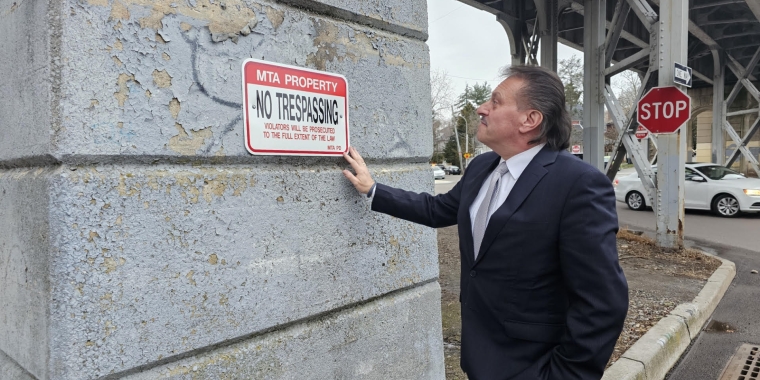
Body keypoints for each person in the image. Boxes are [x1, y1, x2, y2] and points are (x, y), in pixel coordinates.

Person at [342, 65, 628, 380]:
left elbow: (602, 302)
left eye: (495, 101)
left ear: (530, 120)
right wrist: (374, 190)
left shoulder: (578, 183)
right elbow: (438, 210)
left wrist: (565, 375)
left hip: (534, 365)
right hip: (480, 356)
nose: (482, 108)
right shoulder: (482, 167)